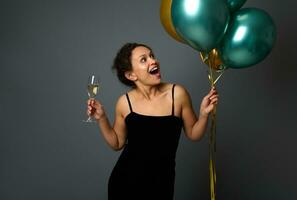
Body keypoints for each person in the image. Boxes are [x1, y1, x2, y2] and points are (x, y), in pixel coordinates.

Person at [86, 43, 218, 200]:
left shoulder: (178, 94)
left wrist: (203, 114)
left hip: (162, 184)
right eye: (143, 60)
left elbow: (193, 134)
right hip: (125, 184)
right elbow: (117, 143)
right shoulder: (124, 102)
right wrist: (102, 118)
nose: (153, 61)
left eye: (152, 56)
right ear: (131, 75)